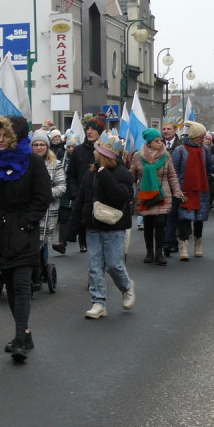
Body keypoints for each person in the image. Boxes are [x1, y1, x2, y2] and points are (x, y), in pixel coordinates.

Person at [0, 117, 50, 363]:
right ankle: (25, 333)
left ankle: (19, 338)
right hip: (0, 229)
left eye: (6, 135)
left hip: (24, 231)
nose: (1, 140)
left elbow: (42, 197)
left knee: (21, 284)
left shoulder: (33, 162)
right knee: (8, 284)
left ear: (16, 137)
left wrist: (27, 221)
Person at [65, 134, 135, 320]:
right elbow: (81, 201)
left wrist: (104, 176)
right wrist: (69, 232)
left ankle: (127, 287)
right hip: (93, 227)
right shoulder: (90, 173)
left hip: (114, 226)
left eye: (97, 150)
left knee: (113, 265)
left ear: (105, 155)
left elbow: (121, 197)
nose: (94, 152)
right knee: (94, 267)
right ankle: (98, 303)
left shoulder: (123, 174)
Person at [130, 128, 184, 265]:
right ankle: (149, 252)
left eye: (161, 140)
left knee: (160, 223)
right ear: (149, 143)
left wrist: (177, 191)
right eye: (156, 140)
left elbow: (172, 175)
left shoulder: (166, 156)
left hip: (162, 194)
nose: (160, 142)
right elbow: (131, 176)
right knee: (148, 224)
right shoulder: (137, 156)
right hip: (146, 194)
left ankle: (159, 252)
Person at [54, 114, 105, 255]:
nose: (89, 131)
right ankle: (64, 242)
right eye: (87, 128)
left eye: (93, 129)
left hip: (100, 195)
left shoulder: (105, 151)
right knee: (72, 216)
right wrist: (75, 190)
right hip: (81, 193)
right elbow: (70, 174)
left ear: (100, 132)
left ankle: (86, 243)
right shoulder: (78, 150)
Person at [172, 121, 214, 260]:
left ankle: (198, 244)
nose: (203, 139)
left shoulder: (204, 150)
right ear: (194, 136)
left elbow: (210, 167)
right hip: (185, 190)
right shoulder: (179, 150)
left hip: (202, 189)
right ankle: (184, 247)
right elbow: (173, 172)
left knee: (199, 219)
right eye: (201, 137)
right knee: (185, 219)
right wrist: (175, 190)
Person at [29, 130, 67, 278]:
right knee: (31, 240)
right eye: (36, 145)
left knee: (42, 241)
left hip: (47, 208)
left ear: (47, 146)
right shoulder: (26, 163)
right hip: (30, 208)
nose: (39, 148)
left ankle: (42, 268)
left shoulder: (55, 165)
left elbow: (62, 187)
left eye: (42, 145)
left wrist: (45, 194)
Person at [160, 116, 184, 256]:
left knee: (172, 214)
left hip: (175, 184)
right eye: (164, 129)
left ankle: (170, 242)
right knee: (161, 215)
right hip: (160, 185)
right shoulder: (157, 143)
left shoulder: (180, 147)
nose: (166, 131)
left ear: (175, 130)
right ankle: (165, 241)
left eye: (169, 129)